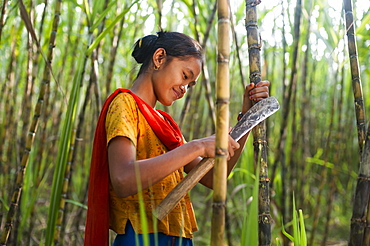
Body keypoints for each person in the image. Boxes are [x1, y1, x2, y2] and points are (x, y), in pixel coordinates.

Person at [84, 31, 270, 246]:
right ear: (159, 58)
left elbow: (213, 179)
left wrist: (247, 119)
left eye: (190, 85)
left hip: (178, 238)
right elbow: (123, 179)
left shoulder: (166, 124)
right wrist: (197, 146)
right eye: (185, 76)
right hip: (142, 239)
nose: (184, 89)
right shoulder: (125, 104)